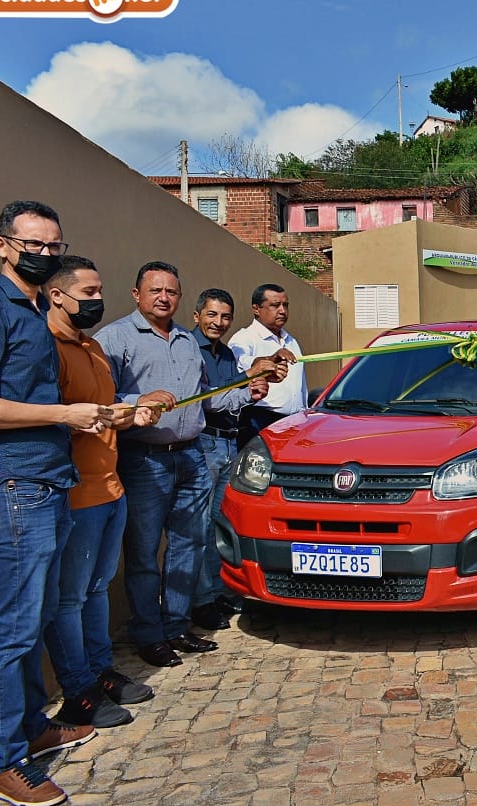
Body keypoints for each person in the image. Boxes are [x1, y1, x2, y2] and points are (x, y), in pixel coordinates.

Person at [0, 201, 108, 805]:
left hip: (49, 484)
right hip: (10, 489)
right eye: (34, 244)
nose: (45, 255)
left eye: (55, 247)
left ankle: (32, 728)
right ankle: (4, 764)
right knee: (13, 630)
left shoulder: (34, 316)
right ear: (3, 246)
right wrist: (62, 414)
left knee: (38, 618)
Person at [95, 261, 279, 668]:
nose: (164, 298)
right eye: (155, 290)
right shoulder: (114, 339)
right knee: (143, 555)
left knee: (189, 545)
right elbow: (98, 398)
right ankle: (149, 633)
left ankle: (177, 626)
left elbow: (208, 399)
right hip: (144, 460)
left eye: (171, 292)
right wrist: (134, 403)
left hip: (191, 456)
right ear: (136, 295)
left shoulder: (184, 341)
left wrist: (247, 392)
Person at [44, 256, 159, 731]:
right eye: (88, 293)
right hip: (75, 494)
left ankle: (99, 671)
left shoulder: (91, 348)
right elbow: (51, 417)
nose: (97, 300)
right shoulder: (44, 349)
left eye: (98, 291)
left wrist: (135, 412)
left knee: (96, 591)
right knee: (69, 598)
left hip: (112, 487)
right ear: (57, 296)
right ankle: (78, 690)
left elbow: (105, 410)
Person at [190, 288, 265, 630]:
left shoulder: (225, 354)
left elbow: (231, 393)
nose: (218, 322)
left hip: (228, 444)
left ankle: (217, 592)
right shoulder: (191, 350)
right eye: (211, 315)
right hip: (205, 445)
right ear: (197, 316)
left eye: (224, 317)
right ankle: (201, 601)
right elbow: (208, 402)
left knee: (218, 525)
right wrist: (247, 392)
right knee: (201, 528)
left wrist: (248, 391)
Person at [229, 283, 307, 447]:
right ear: (256, 309)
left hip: (294, 424)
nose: (282, 311)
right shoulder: (244, 339)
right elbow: (243, 368)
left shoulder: (292, 342)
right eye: (275, 305)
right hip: (259, 422)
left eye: (285, 305)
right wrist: (270, 360)